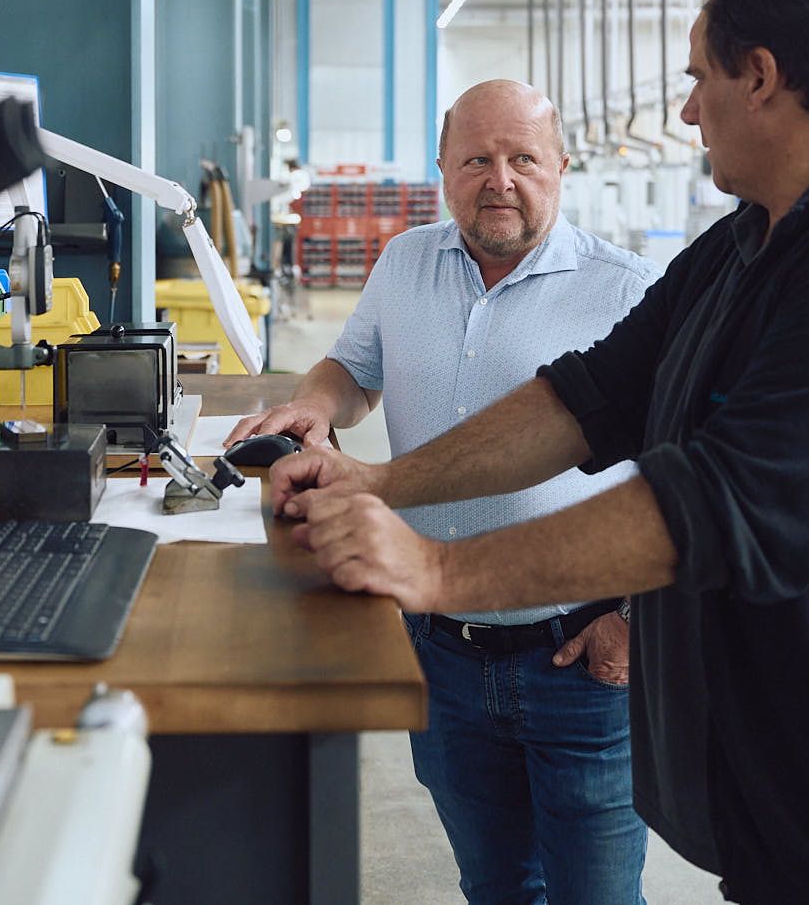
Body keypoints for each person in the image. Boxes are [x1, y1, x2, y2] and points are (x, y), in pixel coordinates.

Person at [273, 0, 809, 905]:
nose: (685, 110)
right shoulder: (746, 245)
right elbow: (584, 399)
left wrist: (438, 570)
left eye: (697, 77)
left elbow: (727, 501)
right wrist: (378, 483)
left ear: (761, 77)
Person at [229, 79, 655, 905]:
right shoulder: (405, 262)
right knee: (496, 886)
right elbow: (354, 368)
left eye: (523, 158)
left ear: (562, 167)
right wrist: (315, 405)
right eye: (476, 160)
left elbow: (687, 470)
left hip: (580, 663)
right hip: (443, 653)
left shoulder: (627, 289)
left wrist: (638, 618)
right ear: (443, 167)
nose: (500, 179)